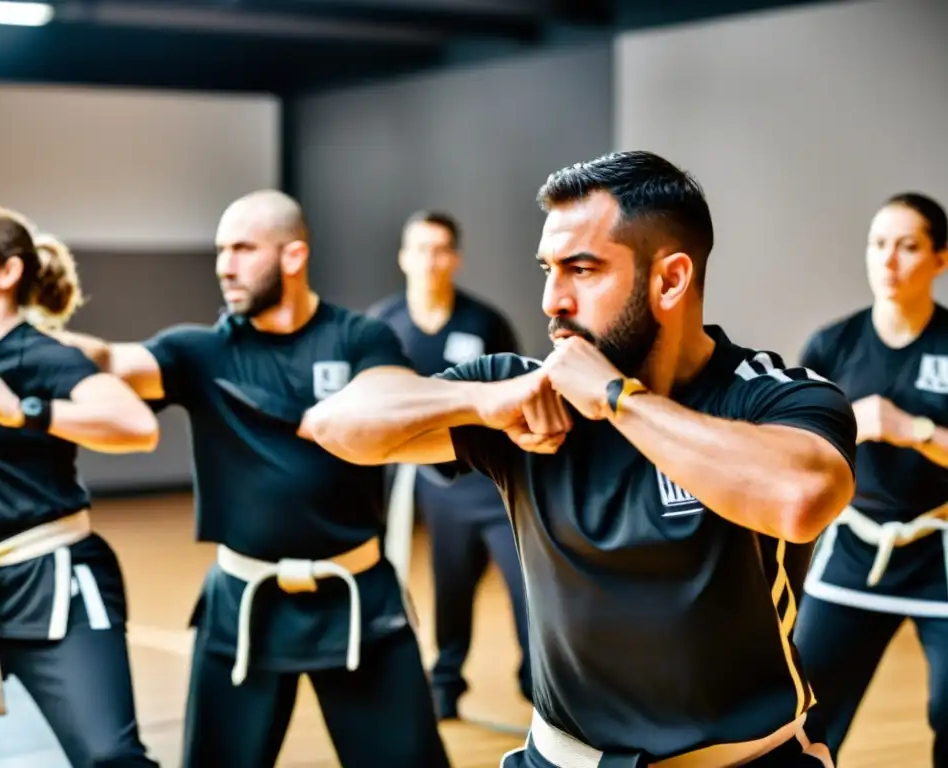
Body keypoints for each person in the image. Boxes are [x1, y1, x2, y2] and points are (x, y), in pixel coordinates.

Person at [301, 150, 858, 767]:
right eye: (547, 269)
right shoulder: (523, 395)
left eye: (581, 270)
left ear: (670, 280)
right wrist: (483, 401)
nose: (551, 300)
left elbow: (803, 497)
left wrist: (618, 399)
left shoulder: (768, 394)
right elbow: (336, 424)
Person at [56, 190, 450, 768]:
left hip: (358, 600)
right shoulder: (201, 352)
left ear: (293, 257)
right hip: (241, 605)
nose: (224, 265)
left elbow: (397, 399)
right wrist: (23, 333)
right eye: (220, 250)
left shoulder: (360, 339)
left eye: (242, 248)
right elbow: (111, 361)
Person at [0, 204, 161, 767]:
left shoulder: (46, 354)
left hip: (57, 582)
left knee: (110, 757)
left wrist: (24, 410)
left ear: (7, 273)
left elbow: (137, 426)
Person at [793, 192, 948, 766]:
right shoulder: (833, 345)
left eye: (908, 246)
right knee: (808, 707)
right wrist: (846, 427)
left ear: (939, 259)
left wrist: (918, 430)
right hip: (855, 545)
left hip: (940, 553)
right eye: (878, 244)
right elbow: (794, 452)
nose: (889, 260)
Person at [368, 209, 532, 718]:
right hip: (436, 484)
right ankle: (445, 685)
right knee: (452, 587)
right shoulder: (382, 324)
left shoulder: (485, 322)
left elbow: (514, 393)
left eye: (440, 250)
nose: (430, 260)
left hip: (492, 480)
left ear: (455, 259)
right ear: (403, 257)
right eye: (420, 249)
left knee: (527, 586)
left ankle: (540, 684)